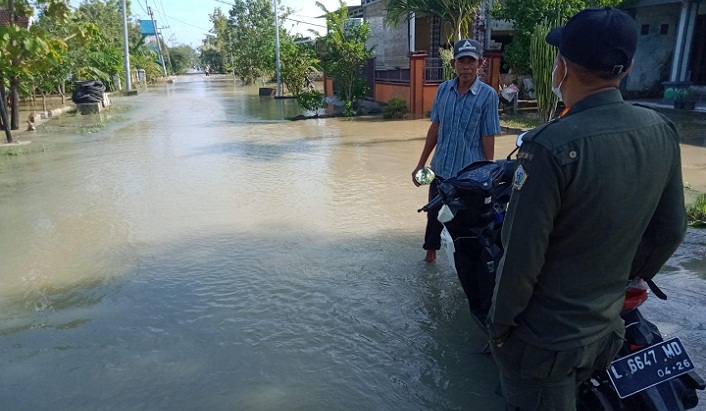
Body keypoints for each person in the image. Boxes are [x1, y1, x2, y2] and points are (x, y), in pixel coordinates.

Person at [487, 7, 687, 410]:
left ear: (560, 67)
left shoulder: (547, 147)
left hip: (546, 341)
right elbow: (670, 230)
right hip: (607, 327)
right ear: (627, 65)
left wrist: (500, 327)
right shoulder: (660, 130)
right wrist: (623, 278)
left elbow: (521, 257)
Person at [412, 38, 501, 263]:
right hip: (440, 170)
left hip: (468, 177)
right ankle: (430, 257)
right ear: (453, 64)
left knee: (466, 225)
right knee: (433, 217)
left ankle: (465, 268)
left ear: (479, 63)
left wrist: (487, 174)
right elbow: (435, 127)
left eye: (471, 61)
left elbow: (487, 136)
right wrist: (421, 164)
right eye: (461, 61)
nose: (466, 66)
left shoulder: (488, 95)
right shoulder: (443, 90)